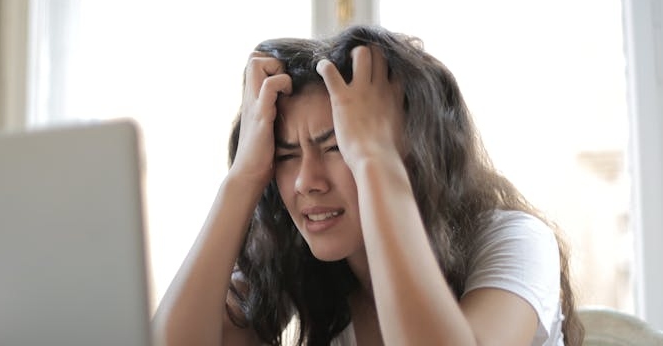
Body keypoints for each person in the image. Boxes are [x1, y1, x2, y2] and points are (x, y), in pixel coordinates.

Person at [151, 24, 584, 346]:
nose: (306, 182)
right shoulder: (297, 258)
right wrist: (243, 176)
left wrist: (375, 159)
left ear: (414, 151)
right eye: (285, 156)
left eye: (338, 147)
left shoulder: (515, 240)